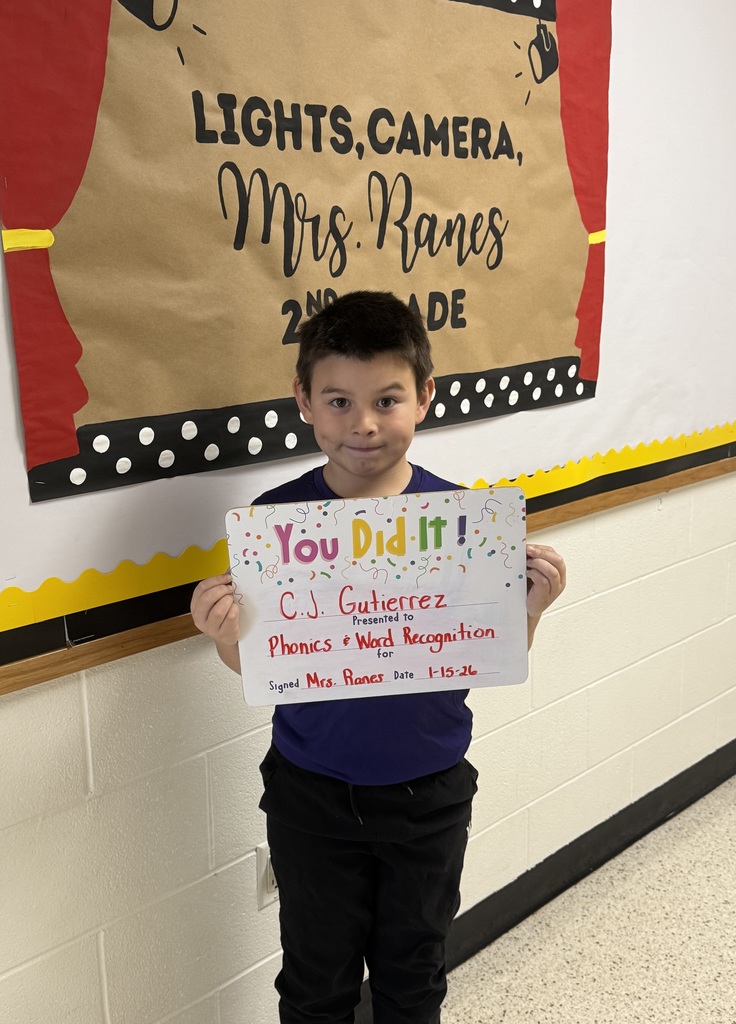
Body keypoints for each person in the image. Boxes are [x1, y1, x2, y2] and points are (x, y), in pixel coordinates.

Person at [191, 291, 566, 1024]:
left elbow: (487, 655)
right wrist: (226, 637)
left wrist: (529, 609)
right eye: (337, 401)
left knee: (414, 974)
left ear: (425, 396)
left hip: (429, 794)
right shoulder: (275, 523)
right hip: (311, 796)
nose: (362, 424)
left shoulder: (462, 522)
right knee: (315, 981)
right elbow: (264, 669)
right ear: (303, 400)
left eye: (387, 399)